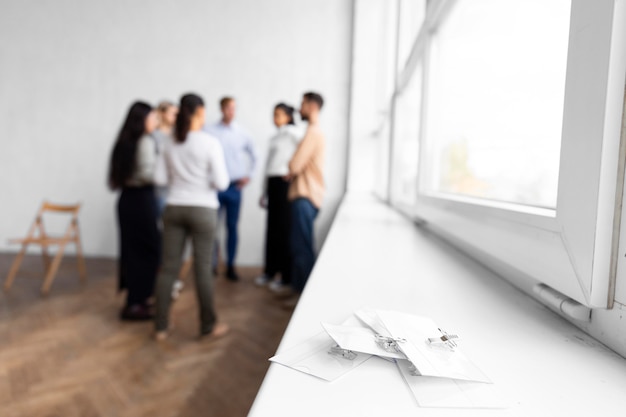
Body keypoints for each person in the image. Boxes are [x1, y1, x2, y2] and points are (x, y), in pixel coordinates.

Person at [154, 93, 230, 341]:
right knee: (203, 269)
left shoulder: (169, 143)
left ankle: (161, 327)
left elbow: (160, 180)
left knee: (169, 269)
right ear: (199, 112)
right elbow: (221, 182)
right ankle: (208, 325)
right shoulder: (210, 143)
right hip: (203, 209)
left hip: (174, 207)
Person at [108, 101, 161, 321]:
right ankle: (137, 302)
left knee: (132, 252)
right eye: (152, 118)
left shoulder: (124, 140)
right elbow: (149, 174)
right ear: (143, 120)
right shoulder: (145, 140)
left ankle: (136, 299)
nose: (155, 121)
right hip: (141, 199)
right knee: (151, 250)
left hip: (126, 200)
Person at [205, 97, 257, 281]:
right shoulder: (209, 131)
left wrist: (249, 175)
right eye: (228, 108)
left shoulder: (242, 134)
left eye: (234, 108)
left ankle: (231, 265)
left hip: (235, 187)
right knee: (212, 227)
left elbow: (254, 156)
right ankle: (211, 264)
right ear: (222, 109)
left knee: (232, 227)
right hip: (215, 187)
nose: (231, 111)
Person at [284, 92, 326, 307]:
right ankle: (297, 293)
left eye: (302, 104)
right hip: (306, 197)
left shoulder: (312, 132)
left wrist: (292, 164)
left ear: (311, 106)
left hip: (305, 197)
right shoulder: (314, 132)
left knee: (302, 248)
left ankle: (304, 299)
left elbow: (294, 165)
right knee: (299, 245)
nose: (299, 108)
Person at [255, 103, 302, 293]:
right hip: (273, 184)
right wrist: (263, 190)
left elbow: (303, 153)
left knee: (284, 230)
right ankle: (270, 271)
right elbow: (268, 166)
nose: (275, 118)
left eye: (279, 114)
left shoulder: (294, 133)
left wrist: (293, 171)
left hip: (284, 184)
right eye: (274, 114)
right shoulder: (274, 137)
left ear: (289, 116)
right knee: (272, 230)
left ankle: (285, 276)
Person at [152, 101, 178, 213]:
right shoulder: (153, 136)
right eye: (173, 114)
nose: (177, 117)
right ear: (163, 114)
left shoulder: (177, 136)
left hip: (176, 191)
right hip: (160, 190)